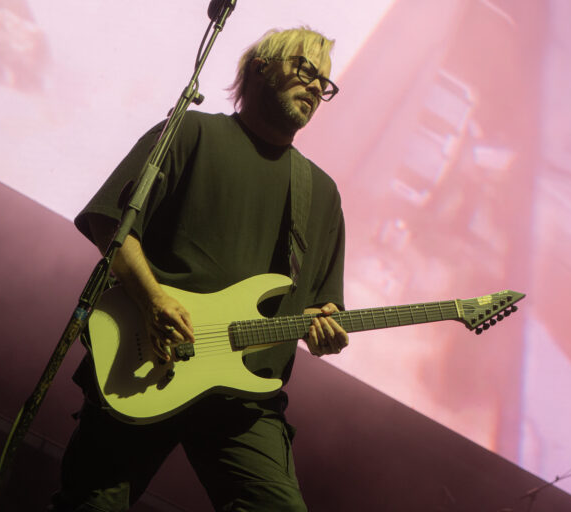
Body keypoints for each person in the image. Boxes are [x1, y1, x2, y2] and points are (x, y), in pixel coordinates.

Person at [50, 26, 348, 512]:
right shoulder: (192, 132)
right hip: (150, 355)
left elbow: (321, 306)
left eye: (325, 83)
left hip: (245, 397)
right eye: (305, 69)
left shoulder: (322, 193)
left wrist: (324, 329)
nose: (316, 86)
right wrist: (153, 300)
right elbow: (112, 222)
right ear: (261, 68)